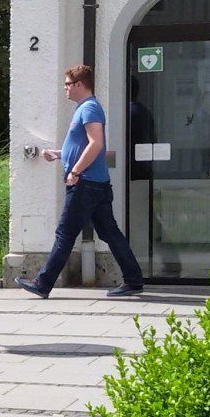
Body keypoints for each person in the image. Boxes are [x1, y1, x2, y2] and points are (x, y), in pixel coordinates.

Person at [16, 64, 145, 298]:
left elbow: (96, 143)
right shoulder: (84, 108)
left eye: (67, 84)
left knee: (65, 233)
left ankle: (42, 283)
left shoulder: (90, 109)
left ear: (79, 85)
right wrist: (59, 153)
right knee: (110, 233)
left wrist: (75, 172)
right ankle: (134, 279)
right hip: (95, 183)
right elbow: (82, 146)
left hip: (85, 183)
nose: (64, 88)